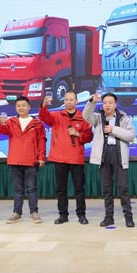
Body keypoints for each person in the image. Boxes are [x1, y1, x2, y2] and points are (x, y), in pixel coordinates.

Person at [83, 92, 135, 227]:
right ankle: (108, 217)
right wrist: (91, 102)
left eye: (110, 103)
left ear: (115, 104)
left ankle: (128, 217)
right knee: (107, 189)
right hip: (104, 155)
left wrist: (113, 130)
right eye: (105, 103)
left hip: (118, 155)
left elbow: (131, 136)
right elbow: (86, 115)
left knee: (123, 188)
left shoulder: (124, 118)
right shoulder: (98, 118)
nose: (107, 105)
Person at [39, 91, 93, 225]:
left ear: (76, 101)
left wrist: (78, 134)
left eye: (71, 99)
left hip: (76, 158)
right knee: (61, 189)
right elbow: (44, 117)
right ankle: (63, 215)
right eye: (66, 99)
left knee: (79, 189)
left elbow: (89, 136)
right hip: (60, 158)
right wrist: (44, 106)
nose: (68, 102)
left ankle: (81, 215)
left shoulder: (82, 117)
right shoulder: (56, 115)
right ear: (64, 101)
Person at [0, 96, 47, 224]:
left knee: (32, 189)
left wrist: (41, 157)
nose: (21, 108)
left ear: (29, 107)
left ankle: (34, 213)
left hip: (31, 161)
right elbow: (2, 131)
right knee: (18, 190)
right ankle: (17, 213)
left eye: (24, 105)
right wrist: (1, 122)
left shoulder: (37, 123)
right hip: (15, 160)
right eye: (18, 106)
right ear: (15, 108)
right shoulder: (11, 122)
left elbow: (41, 141)